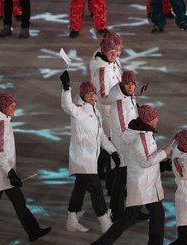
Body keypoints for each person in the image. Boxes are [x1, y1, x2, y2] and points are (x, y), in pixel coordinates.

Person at [91, 105, 172, 245]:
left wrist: (160, 163)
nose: (157, 119)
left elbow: (145, 158)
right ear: (149, 119)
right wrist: (164, 153)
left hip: (146, 184)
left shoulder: (144, 134)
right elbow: (144, 161)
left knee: (153, 215)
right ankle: (102, 244)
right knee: (136, 217)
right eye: (155, 116)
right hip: (143, 185)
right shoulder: (140, 137)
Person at [0, 93, 52, 244]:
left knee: (17, 201)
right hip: (1, 173)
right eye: (11, 107)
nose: (14, 109)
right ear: (3, 108)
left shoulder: (2, 122)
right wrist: (10, 173)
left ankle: (33, 230)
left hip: (3, 172)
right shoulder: (1, 125)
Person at [59, 71, 118, 234]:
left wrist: (113, 152)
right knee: (96, 190)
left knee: (79, 190)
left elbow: (101, 136)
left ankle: (71, 220)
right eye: (89, 94)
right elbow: (66, 105)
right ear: (83, 95)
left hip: (91, 159)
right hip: (82, 159)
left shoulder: (95, 112)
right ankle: (105, 223)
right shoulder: (78, 110)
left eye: (94, 94)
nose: (93, 97)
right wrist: (66, 88)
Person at [104, 71, 139, 220]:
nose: (130, 87)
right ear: (122, 84)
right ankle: (116, 212)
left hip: (130, 144)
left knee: (129, 180)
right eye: (127, 84)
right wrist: (133, 143)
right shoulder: (119, 102)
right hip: (124, 147)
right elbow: (121, 128)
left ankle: (131, 211)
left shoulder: (129, 97)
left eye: (133, 84)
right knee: (121, 181)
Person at [89, 31, 122, 184]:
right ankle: (110, 178)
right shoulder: (102, 71)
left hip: (116, 109)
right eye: (113, 52)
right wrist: (122, 98)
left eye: (118, 51)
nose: (116, 55)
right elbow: (103, 97)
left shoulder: (112, 61)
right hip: (108, 113)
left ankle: (98, 169)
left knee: (109, 144)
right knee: (111, 144)